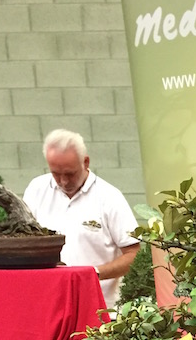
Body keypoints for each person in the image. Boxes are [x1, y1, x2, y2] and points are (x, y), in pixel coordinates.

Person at [23, 129, 139, 310]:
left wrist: (93, 274)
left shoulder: (109, 197)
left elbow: (134, 255)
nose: (63, 181)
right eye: (56, 173)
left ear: (86, 162)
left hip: (100, 307)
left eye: (70, 174)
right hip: (48, 304)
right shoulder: (36, 189)